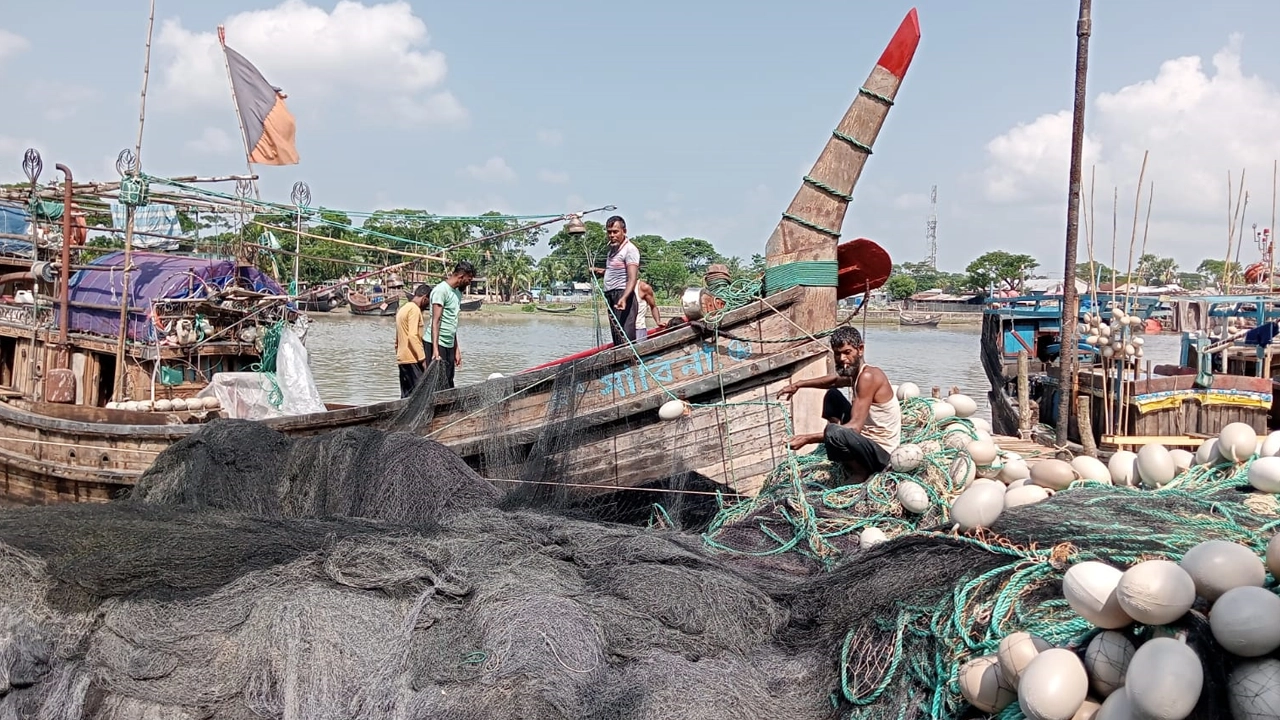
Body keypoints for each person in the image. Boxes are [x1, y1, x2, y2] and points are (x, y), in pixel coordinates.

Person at [778, 326, 901, 481]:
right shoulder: (855, 373)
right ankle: (845, 452)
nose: (842, 358)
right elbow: (833, 381)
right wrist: (799, 384)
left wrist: (808, 438)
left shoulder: (868, 376)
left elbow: (855, 427)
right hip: (866, 439)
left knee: (833, 431)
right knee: (832, 396)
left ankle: (859, 471)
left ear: (860, 349)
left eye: (847, 352)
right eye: (837, 354)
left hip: (882, 453)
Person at [424, 260, 476, 389]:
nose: (469, 283)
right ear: (461, 276)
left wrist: (456, 349)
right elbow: (436, 321)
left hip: (449, 343)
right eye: (468, 280)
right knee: (436, 384)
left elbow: (452, 323)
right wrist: (435, 351)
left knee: (448, 381)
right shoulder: (441, 291)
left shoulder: (457, 293)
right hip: (436, 343)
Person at [591, 215, 640, 346]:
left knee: (626, 337)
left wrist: (624, 298)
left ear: (624, 231)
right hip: (611, 295)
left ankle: (631, 363)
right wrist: (598, 271)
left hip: (623, 295)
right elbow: (613, 272)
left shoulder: (630, 250)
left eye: (615, 232)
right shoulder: (612, 250)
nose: (612, 235)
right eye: (609, 232)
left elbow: (632, 278)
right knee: (617, 336)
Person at [395, 284, 431, 398]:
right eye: (428, 302)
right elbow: (412, 336)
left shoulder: (403, 309)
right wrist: (423, 359)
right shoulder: (414, 310)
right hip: (412, 359)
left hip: (402, 359)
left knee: (406, 396)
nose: (427, 305)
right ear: (424, 298)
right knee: (419, 396)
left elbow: (397, 339)